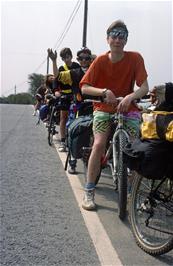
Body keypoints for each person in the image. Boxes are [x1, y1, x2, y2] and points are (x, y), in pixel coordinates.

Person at [80, 20, 149, 210]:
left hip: (128, 109)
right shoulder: (100, 60)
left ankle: (134, 193)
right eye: (114, 35)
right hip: (102, 108)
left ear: (126, 40)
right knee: (99, 144)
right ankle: (89, 191)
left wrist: (130, 97)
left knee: (136, 148)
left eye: (122, 35)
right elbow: (85, 87)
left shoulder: (135, 58)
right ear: (108, 39)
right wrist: (103, 92)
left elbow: (144, 87)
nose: (118, 39)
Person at [48, 46, 93, 174]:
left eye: (87, 58)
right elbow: (57, 76)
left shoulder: (96, 70)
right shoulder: (75, 72)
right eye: (82, 58)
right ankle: (72, 162)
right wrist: (54, 61)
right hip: (78, 106)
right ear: (78, 59)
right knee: (74, 132)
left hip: (96, 106)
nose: (84, 60)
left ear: (90, 59)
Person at [57, 48, 80, 152]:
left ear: (71, 56)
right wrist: (55, 91)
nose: (66, 59)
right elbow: (56, 81)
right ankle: (62, 141)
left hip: (76, 95)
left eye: (67, 56)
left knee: (78, 117)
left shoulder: (77, 66)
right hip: (65, 95)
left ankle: (77, 140)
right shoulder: (61, 68)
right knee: (63, 118)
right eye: (63, 58)